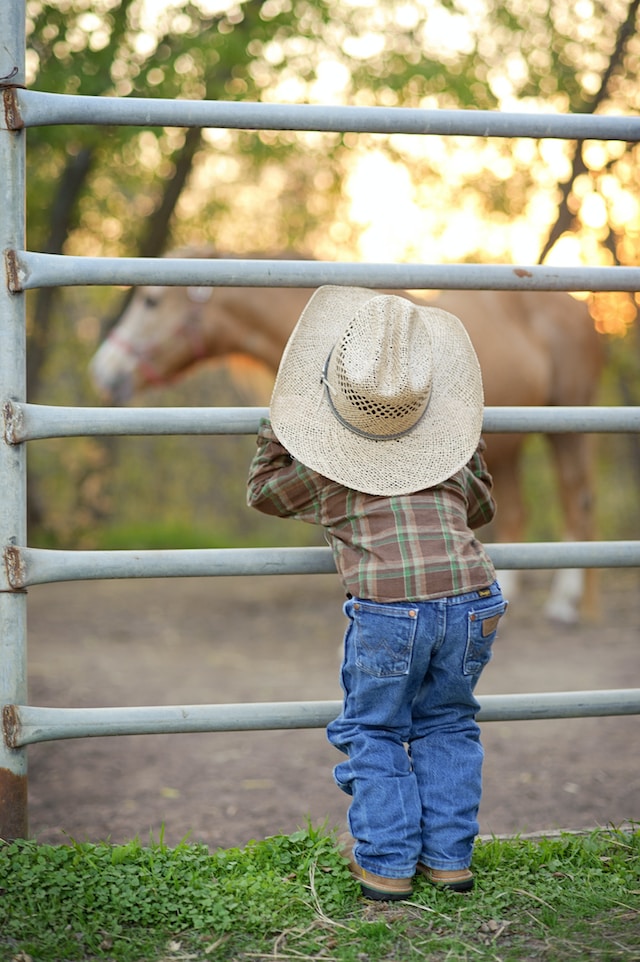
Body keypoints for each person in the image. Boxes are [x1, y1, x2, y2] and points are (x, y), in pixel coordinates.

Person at [246, 285, 507, 901]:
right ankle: (449, 861)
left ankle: (388, 864)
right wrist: (460, 444)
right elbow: (485, 506)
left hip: (391, 611)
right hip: (475, 597)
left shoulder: (322, 469)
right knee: (448, 722)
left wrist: (281, 425)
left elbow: (262, 491)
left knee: (376, 729)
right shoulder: (448, 460)